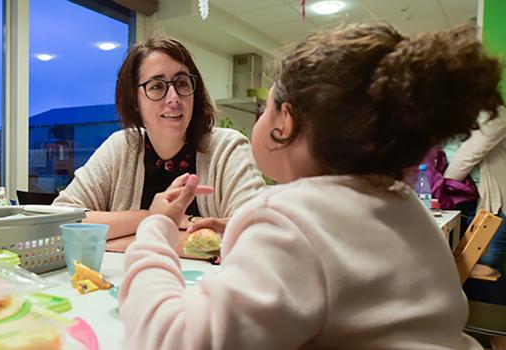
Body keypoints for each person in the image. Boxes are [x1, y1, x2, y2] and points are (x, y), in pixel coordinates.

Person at [118, 23, 503, 349]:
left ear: (284, 123)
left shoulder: (288, 222)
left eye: (265, 106)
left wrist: (156, 227)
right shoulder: (408, 209)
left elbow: (169, 337)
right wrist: (241, 232)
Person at [53, 37, 265, 239]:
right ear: (135, 101)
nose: (173, 98)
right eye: (157, 86)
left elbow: (258, 234)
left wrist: (120, 239)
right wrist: (154, 218)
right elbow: (59, 219)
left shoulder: (226, 148)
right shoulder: (121, 147)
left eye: (182, 83)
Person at [444, 105, 506, 305]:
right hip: (459, 200)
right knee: (462, 269)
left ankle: (494, 332)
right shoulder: (447, 113)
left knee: (484, 266)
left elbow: (470, 153)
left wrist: (441, 185)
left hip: (493, 202)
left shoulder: (496, 115)